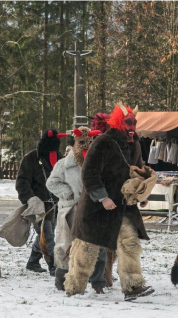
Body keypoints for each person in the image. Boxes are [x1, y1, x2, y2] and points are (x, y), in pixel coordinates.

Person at [64, 105, 154, 301]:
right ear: (118, 122)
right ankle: (74, 287)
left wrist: (141, 193)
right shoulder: (103, 142)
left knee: (129, 243)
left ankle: (132, 286)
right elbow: (89, 173)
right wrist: (102, 197)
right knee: (86, 249)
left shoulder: (135, 144)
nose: (132, 126)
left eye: (134, 122)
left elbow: (136, 171)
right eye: (128, 122)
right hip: (97, 207)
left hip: (124, 206)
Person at [46, 127, 107, 293]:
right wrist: (69, 194)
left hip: (93, 210)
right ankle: (62, 278)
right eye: (82, 143)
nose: (86, 146)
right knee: (66, 245)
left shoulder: (99, 163)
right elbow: (52, 183)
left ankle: (98, 281)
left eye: (90, 142)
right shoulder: (63, 165)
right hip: (71, 210)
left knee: (97, 245)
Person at [16, 129, 63, 276]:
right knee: (48, 236)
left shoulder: (59, 158)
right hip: (37, 205)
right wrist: (30, 199)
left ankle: (33, 262)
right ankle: (54, 265)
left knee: (44, 235)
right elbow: (22, 181)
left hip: (54, 205)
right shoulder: (31, 158)